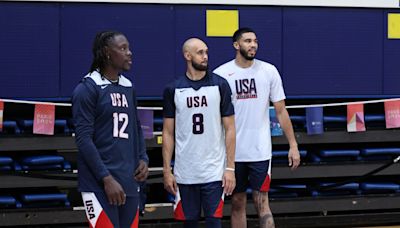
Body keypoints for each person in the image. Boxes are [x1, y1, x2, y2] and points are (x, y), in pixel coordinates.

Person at [213, 27, 301, 228]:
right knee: (237, 203)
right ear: (236, 45)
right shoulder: (221, 74)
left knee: (262, 204)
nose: (253, 45)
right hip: (233, 153)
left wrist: (293, 145)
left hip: (260, 151)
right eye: (247, 41)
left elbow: (281, 111)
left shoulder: (268, 71)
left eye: (255, 41)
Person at [72, 31, 149, 228]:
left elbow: (136, 128)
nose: (129, 53)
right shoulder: (87, 88)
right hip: (99, 184)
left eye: (129, 48)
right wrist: (105, 178)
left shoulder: (128, 86)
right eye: (123, 48)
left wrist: (143, 158)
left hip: (128, 181)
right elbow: (83, 140)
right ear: (107, 52)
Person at [162, 38, 236, 228]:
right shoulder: (173, 89)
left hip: (214, 171)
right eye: (200, 53)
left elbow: (230, 129)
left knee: (214, 223)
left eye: (206, 52)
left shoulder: (220, 85)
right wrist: (166, 170)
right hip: (185, 172)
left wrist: (230, 168)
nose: (205, 57)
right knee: (190, 223)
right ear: (187, 56)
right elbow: (168, 133)